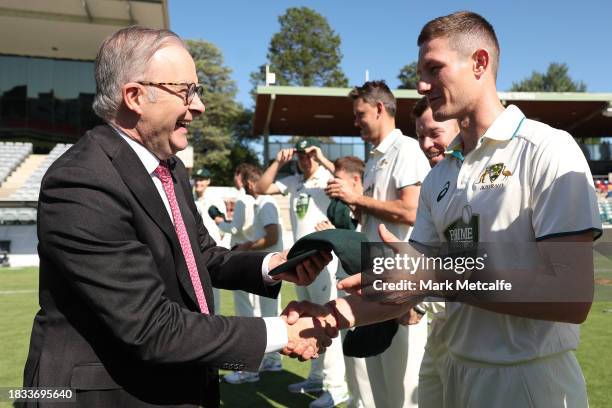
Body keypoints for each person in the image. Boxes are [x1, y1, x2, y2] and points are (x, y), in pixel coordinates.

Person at [291, 11, 601, 408]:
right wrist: (331, 316)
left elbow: (570, 294)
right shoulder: (440, 176)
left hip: (522, 375)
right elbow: (414, 281)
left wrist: (439, 274)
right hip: (444, 365)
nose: (422, 85)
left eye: (434, 69)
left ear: (479, 63)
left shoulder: (547, 148)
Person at [21, 26, 335, 408]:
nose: (199, 106)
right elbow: (151, 327)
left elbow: (199, 255)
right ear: (135, 96)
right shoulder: (82, 181)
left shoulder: (170, 170)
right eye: (186, 91)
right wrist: (283, 333)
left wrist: (275, 266)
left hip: (175, 381)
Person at [325, 80, 430, 408]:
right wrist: (351, 204)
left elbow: (411, 210)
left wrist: (357, 197)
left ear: (380, 109)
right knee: (373, 386)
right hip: (373, 280)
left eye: (360, 115)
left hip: (401, 285)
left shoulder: (407, 150)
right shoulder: (374, 159)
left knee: (403, 390)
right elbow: (377, 217)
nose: (356, 122)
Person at [257, 139, 349, 408]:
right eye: (301, 155)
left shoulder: (327, 177)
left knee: (328, 320)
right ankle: (316, 378)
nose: (304, 160)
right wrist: (278, 162)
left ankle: (337, 387)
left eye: (308, 155)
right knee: (310, 321)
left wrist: (321, 158)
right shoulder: (295, 180)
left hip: (325, 261)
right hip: (301, 263)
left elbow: (349, 182)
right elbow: (262, 188)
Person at [223, 165, 284, 384]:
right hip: (268, 266)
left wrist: (245, 248)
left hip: (269, 266)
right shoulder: (261, 202)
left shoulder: (265, 202)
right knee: (268, 316)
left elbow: (271, 236)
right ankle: (272, 360)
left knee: (261, 318)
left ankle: (251, 369)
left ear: (250, 183)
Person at [193, 167, 227, 312]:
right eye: (197, 179)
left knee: (213, 293)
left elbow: (223, 227)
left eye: (201, 180)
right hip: (195, 251)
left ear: (208, 181)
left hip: (211, 251)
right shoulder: (191, 198)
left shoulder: (214, 200)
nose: (198, 182)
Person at [413, 96, 460, 167]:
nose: (425, 145)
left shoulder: (479, 169)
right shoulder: (432, 176)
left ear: (461, 128)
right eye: (421, 137)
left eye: (435, 134)